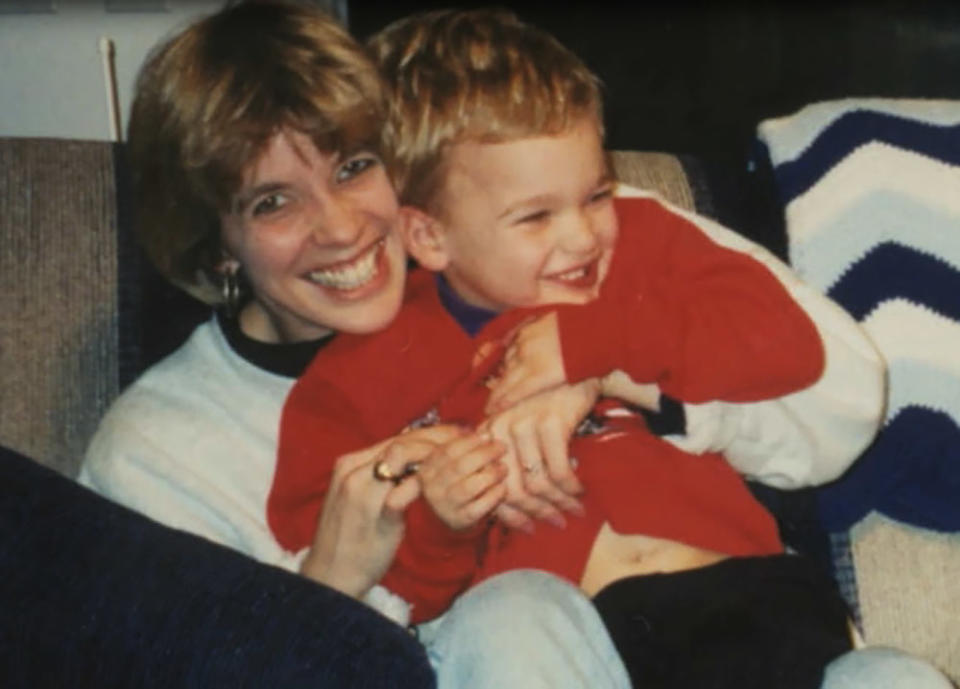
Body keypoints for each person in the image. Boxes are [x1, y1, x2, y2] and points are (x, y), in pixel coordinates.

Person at [268, 8, 955, 689]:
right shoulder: (359, 372)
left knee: (895, 675)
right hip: (559, 630)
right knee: (507, 615)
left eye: (595, 193)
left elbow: (790, 346)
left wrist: (595, 345)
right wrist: (442, 523)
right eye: (535, 216)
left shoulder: (641, 243)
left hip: (749, 599)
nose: (582, 236)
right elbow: (361, 588)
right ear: (428, 237)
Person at [76, 3, 632, 688]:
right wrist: (328, 579)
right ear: (219, 246)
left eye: (354, 167)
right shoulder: (157, 453)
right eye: (273, 202)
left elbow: (785, 360)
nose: (340, 229)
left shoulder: (504, 264)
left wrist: (588, 359)